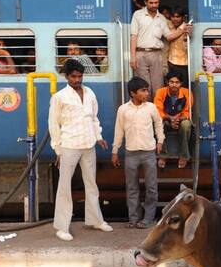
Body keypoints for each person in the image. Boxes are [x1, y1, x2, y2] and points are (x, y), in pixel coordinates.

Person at [48, 58, 113, 241]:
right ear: (67, 76)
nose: (77, 79)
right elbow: (54, 125)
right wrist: (58, 151)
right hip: (69, 146)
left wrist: (99, 137)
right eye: (74, 76)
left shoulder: (90, 93)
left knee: (91, 183)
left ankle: (95, 220)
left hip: (89, 144)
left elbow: (94, 118)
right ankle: (62, 227)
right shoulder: (59, 97)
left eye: (80, 76)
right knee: (64, 186)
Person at [111, 77, 164, 229]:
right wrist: (115, 151)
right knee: (132, 187)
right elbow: (118, 131)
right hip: (131, 153)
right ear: (133, 93)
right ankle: (133, 218)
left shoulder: (151, 108)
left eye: (147, 90)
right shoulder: (123, 110)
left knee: (151, 187)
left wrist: (160, 141)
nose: (147, 93)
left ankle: (148, 218)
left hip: (148, 152)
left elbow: (159, 125)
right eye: (143, 90)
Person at [130, 0, 192, 97]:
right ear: (145, 2)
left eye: (156, 2)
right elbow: (133, 36)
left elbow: (169, 37)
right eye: (151, 3)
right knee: (143, 87)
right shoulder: (137, 15)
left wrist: (183, 30)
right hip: (140, 54)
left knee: (158, 87)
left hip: (157, 55)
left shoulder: (162, 18)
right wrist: (133, 56)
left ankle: (157, 112)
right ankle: (146, 113)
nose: (154, 5)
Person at [154, 71, 192, 169]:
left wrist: (178, 119)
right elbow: (158, 111)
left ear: (181, 83)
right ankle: (163, 155)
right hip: (166, 119)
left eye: (177, 82)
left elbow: (187, 112)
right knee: (158, 124)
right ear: (167, 82)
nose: (174, 85)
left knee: (186, 125)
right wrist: (170, 119)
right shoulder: (160, 92)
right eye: (171, 82)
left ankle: (183, 156)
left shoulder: (187, 93)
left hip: (180, 120)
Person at [167, 7, 189, 84]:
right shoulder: (169, 25)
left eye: (178, 17)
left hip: (183, 64)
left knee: (182, 86)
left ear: (183, 17)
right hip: (170, 62)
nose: (175, 19)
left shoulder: (187, 28)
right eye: (173, 17)